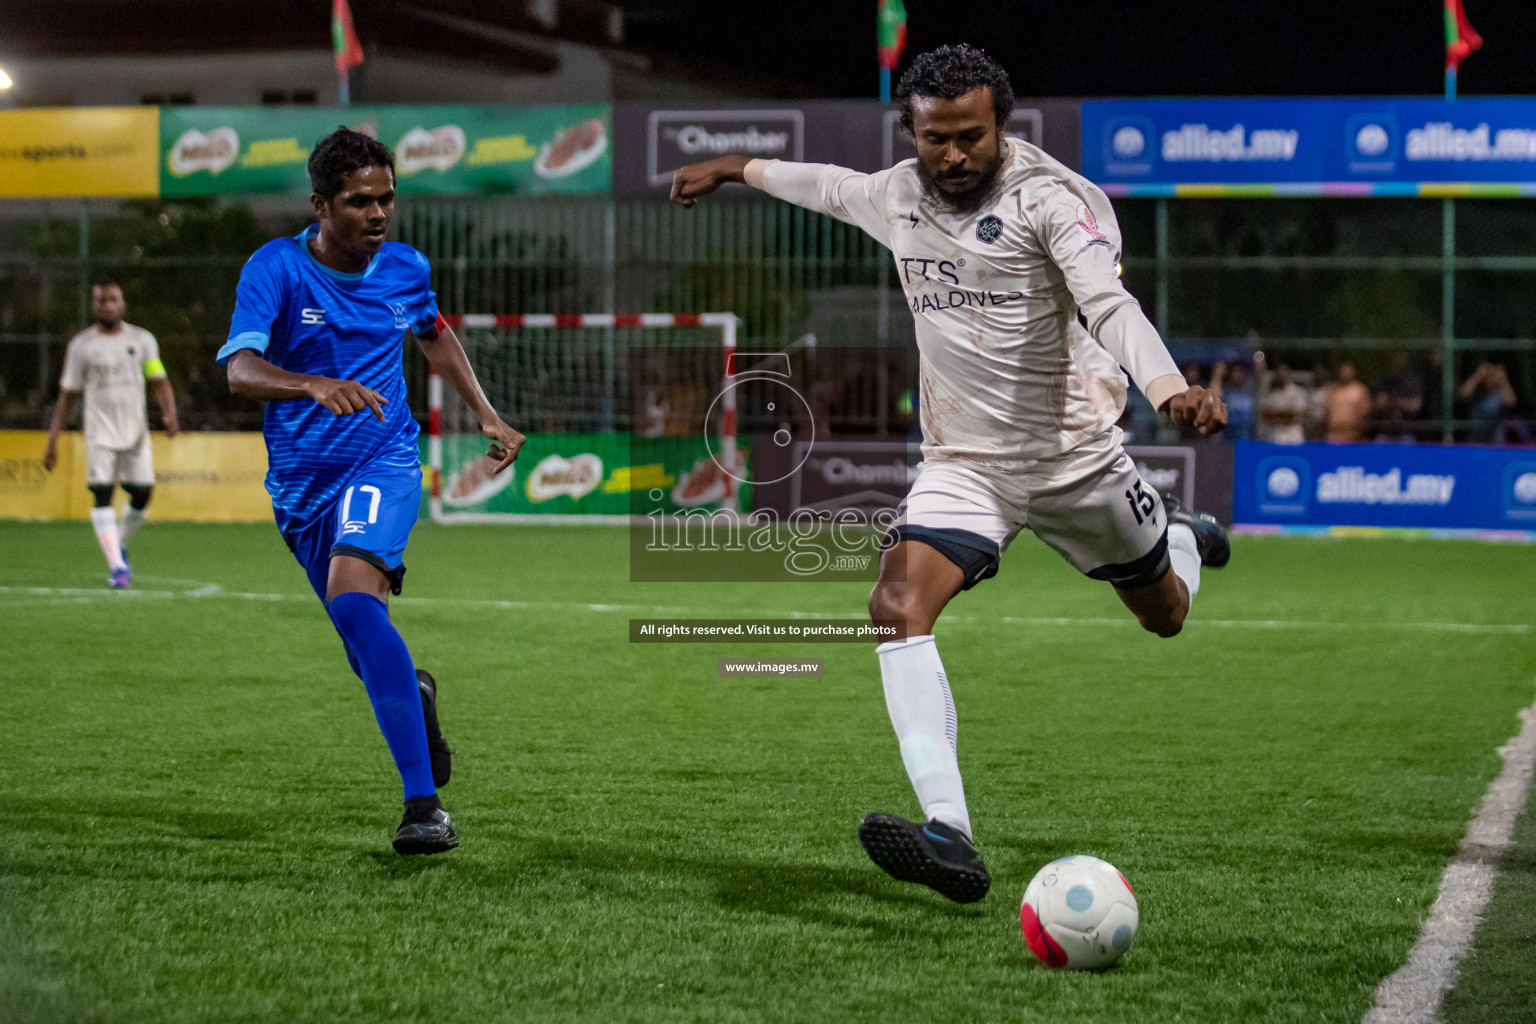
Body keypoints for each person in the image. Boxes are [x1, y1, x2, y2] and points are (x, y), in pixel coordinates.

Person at [671, 44, 1229, 904]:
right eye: (937, 139)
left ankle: (1180, 536)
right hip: (964, 464)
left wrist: (1169, 389)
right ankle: (950, 832)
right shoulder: (899, 194)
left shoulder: (1054, 201)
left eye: (970, 136)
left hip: (1074, 459)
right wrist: (728, 167)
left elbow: (1108, 304)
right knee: (895, 604)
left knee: (1166, 618)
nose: (953, 156)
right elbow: (818, 183)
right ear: (914, 130)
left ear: (1000, 125)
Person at [220, 128, 526, 855]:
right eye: (361, 201)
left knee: (356, 601)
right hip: (300, 489)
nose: (379, 213)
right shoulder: (277, 270)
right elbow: (239, 371)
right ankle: (415, 697)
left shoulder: (405, 268)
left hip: (382, 464)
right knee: (364, 645)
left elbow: (434, 334)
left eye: (388, 198)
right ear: (321, 205)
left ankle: (424, 808)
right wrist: (309, 383)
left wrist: (485, 411)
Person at [43, 279, 179, 588]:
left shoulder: (143, 341)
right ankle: (118, 567)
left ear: (122, 303)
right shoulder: (81, 346)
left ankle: (118, 543)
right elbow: (67, 396)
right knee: (102, 493)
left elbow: (159, 379)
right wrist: (52, 440)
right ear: (94, 305)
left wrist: (169, 412)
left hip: (135, 432)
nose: (107, 305)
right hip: (98, 432)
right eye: (101, 300)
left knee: (143, 493)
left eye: (112, 299)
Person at [1458, 359, 1522, 444]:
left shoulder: (1499, 393)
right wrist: (1477, 375)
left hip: (1495, 443)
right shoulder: (1475, 392)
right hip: (1475, 441)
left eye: (1493, 376)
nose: (1490, 379)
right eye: (1488, 376)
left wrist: (1503, 380)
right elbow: (1463, 394)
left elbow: (1511, 402)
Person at [1258, 361, 1307, 444]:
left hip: (1293, 436)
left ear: (1289, 372)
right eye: (1279, 372)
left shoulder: (1297, 392)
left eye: (1284, 371)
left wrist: (1276, 414)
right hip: (1274, 436)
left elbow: (1297, 415)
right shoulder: (1268, 393)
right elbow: (1264, 415)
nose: (1282, 374)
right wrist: (1284, 414)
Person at [1322, 361, 1371, 443]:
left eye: (1347, 371)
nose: (1345, 374)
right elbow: (1326, 412)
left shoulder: (1359, 389)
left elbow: (1364, 414)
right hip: (1333, 436)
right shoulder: (1332, 390)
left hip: (1353, 436)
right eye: (1343, 371)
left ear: (1353, 373)